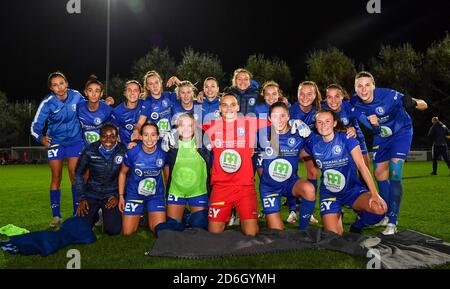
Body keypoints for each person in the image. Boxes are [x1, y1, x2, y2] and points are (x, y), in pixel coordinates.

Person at [351, 71, 427, 235]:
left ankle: (393, 220)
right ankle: (384, 214)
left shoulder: (389, 95)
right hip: (382, 136)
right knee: (379, 173)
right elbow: (371, 127)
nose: (363, 89)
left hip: (402, 131)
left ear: (373, 86)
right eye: (359, 86)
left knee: (395, 171)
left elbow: (424, 104)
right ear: (355, 88)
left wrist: (412, 104)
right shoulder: (355, 102)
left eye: (367, 85)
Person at [303, 109, 387, 235]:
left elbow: (361, 166)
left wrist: (374, 194)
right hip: (329, 193)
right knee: (334, 236)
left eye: (327, 121)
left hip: (352, 190)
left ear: (334, 123)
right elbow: (293, 153)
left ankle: (357, 226)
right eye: (319, 122)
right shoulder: (312, 142)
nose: (323, 125)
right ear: (315, 125)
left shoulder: (347, 138)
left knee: (380, 208)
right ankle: (336, 214)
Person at [201, 93, 270, 236]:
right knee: (214, 233)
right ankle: (230, 216)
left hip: (244, 186)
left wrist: (294, 122)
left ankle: (243, 217)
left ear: (238, 107)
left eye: (232, 105)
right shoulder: (212, 126)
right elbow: (188, 126)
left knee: (251, 233)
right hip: (221, 186)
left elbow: (275, 120)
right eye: (225, 105)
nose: (229, 108)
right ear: (220, 108)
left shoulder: (249, 123)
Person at [31, 72, 86, 227]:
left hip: (75, 141)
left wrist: (104, 102)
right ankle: (56, 216)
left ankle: (77, 214)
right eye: (55, 85)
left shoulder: (76, 96)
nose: (59, 87)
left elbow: (90, 107)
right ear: (51, 88)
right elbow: (35, 126)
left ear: (66, 83)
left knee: (75, 177)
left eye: (61, 83)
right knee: (56, 177)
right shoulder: (48, 103)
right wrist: (40, 138)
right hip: (56, 143)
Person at [257, 102, 315, 230]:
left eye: (283, 115)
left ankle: (303, 230)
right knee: (277, 231)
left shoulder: (298, 133)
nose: (279, 120)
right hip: (269, 188)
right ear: (269, 118)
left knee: (309, 189)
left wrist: (309, 133)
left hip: (290, 182)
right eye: (275, 116)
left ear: (289, 116)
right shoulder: (261, 134)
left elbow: (318, 145)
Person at [160, 113, 212, 232]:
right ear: (177, 127)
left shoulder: (203, 140)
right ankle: (185, 215)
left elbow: (217, 155)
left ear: (195, 126)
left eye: (190, 125)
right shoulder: (170, 142)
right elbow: (155, 154)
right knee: (172, 228)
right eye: (182, 125)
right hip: (176, 190)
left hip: (198, 190)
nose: (186, 129)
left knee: (199, 226)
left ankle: (190, 217)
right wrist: (135, 143)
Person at [74, 124, 126, 235]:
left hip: (111, 195)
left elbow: (129, 176)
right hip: (92, 193)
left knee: (113, 230)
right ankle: (95, 215)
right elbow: (78, 173)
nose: (108, 140)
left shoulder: (123, 151)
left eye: (112, 136)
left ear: (117, 137)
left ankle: (105, 213)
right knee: (80, 229)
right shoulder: (89, 150)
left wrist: (117, 195)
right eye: (104, 136)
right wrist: (82, 198)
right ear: (99, 136)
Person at [118, 123, 167, 235]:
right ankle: (140, 213)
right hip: (134, 195)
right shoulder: (132, 153)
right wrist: (121, 196)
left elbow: (166, 175)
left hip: (155, 196)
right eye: (145, 135)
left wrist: (166, 196)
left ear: (158, 137)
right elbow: (122, 173)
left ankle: (147, 213)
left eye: (153, 135)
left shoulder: (163, 153)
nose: (149, 139)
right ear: (140, 137)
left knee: (158, 230)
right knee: (128, 232)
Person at [323, 84, 379, 168]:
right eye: (329, 97)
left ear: (342, 96)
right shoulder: (322, 110)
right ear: (326, 99)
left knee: (364, 171)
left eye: (337, 96)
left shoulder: (349, 106)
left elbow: (365, 121)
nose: (333, 100)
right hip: (338, 143)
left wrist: (376, 126)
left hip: (357, 139)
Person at [289, 81, 322, 224]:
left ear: (315, 95)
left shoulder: (318, 109)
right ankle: (291, 210)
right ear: (297, 95)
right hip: (291, 146)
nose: (305, 97)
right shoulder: (292, 110)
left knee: (314, 173)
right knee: (290, 174)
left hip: (308, 145)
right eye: (301, 93)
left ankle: (308, 210)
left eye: (309, 94)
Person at [132, 71, 180, 140]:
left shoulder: (169, 96)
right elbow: (140, 123)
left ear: (160, 83)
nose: (155, 86)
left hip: (172, 139)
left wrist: (176, 80)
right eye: (151, 84)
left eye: (156, 82)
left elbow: (185, 92)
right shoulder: (147, 103)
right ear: (148, 87)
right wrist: (136, 131)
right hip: (155, 141)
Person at [77, 75, 113, 146]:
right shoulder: (79, 107)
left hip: (101, 147)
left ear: (101, 93)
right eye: (90, 91)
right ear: (86, 92)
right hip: (83, 147)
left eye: (97, 91)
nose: (93, 94)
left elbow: (117, 124)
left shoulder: (107, 109)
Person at [111, 80, 146, 149]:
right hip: (125, 147)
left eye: (135, 90)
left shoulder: (145, 105)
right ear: (125, 93)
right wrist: (123, 149)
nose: (132, 93)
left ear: (140, 94)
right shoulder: (117, 111)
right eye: (129, 90)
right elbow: (116, 135)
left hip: (144, 147)